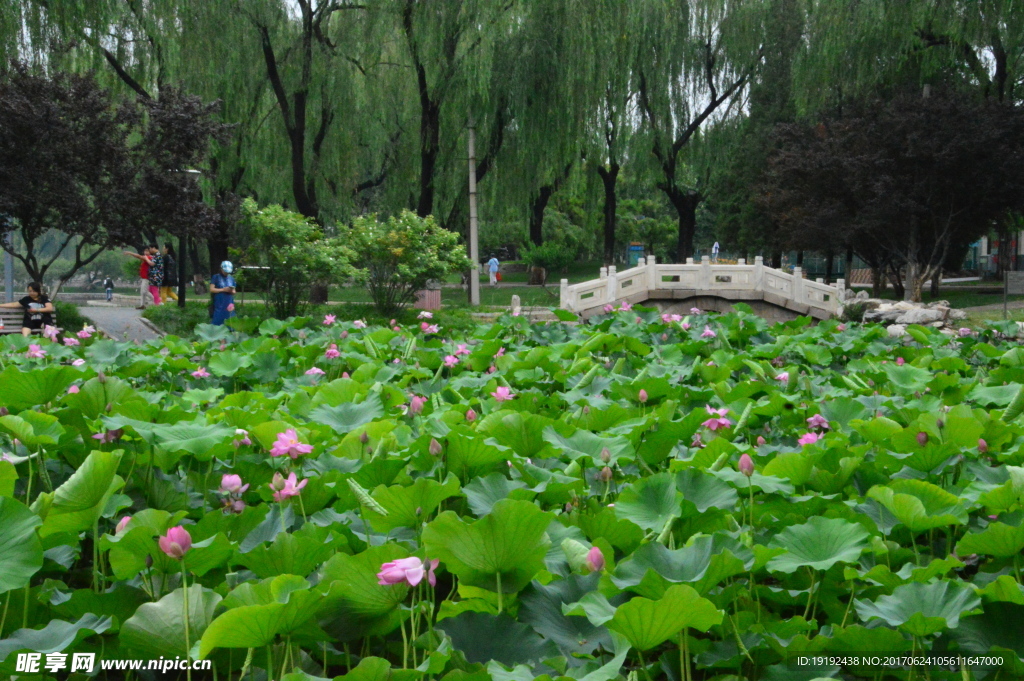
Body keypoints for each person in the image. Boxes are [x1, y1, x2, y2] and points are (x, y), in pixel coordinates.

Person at [210, 260, 236, 326]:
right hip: (220, 301)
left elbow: (234, 291)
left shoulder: (231, 279)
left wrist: (231, 291)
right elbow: (212, 289)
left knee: (230, 316)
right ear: (221, 269)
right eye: (225, 271)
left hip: (229, 301)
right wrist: (223, 290)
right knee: (218, 317)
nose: (226, 273)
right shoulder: (216, 277)